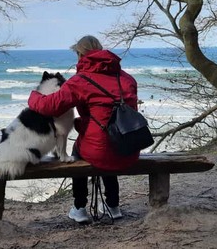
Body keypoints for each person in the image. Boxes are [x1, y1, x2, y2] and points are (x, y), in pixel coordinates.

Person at [27, 35, 140, 223]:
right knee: (109, 144)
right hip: (129, 147)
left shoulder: (80, 81)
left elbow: (50, 106)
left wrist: (34, 96)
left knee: (81, 151)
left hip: (99, 149)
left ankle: (79, 208)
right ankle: (113, 205)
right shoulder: (127, 79)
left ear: (80, 54)